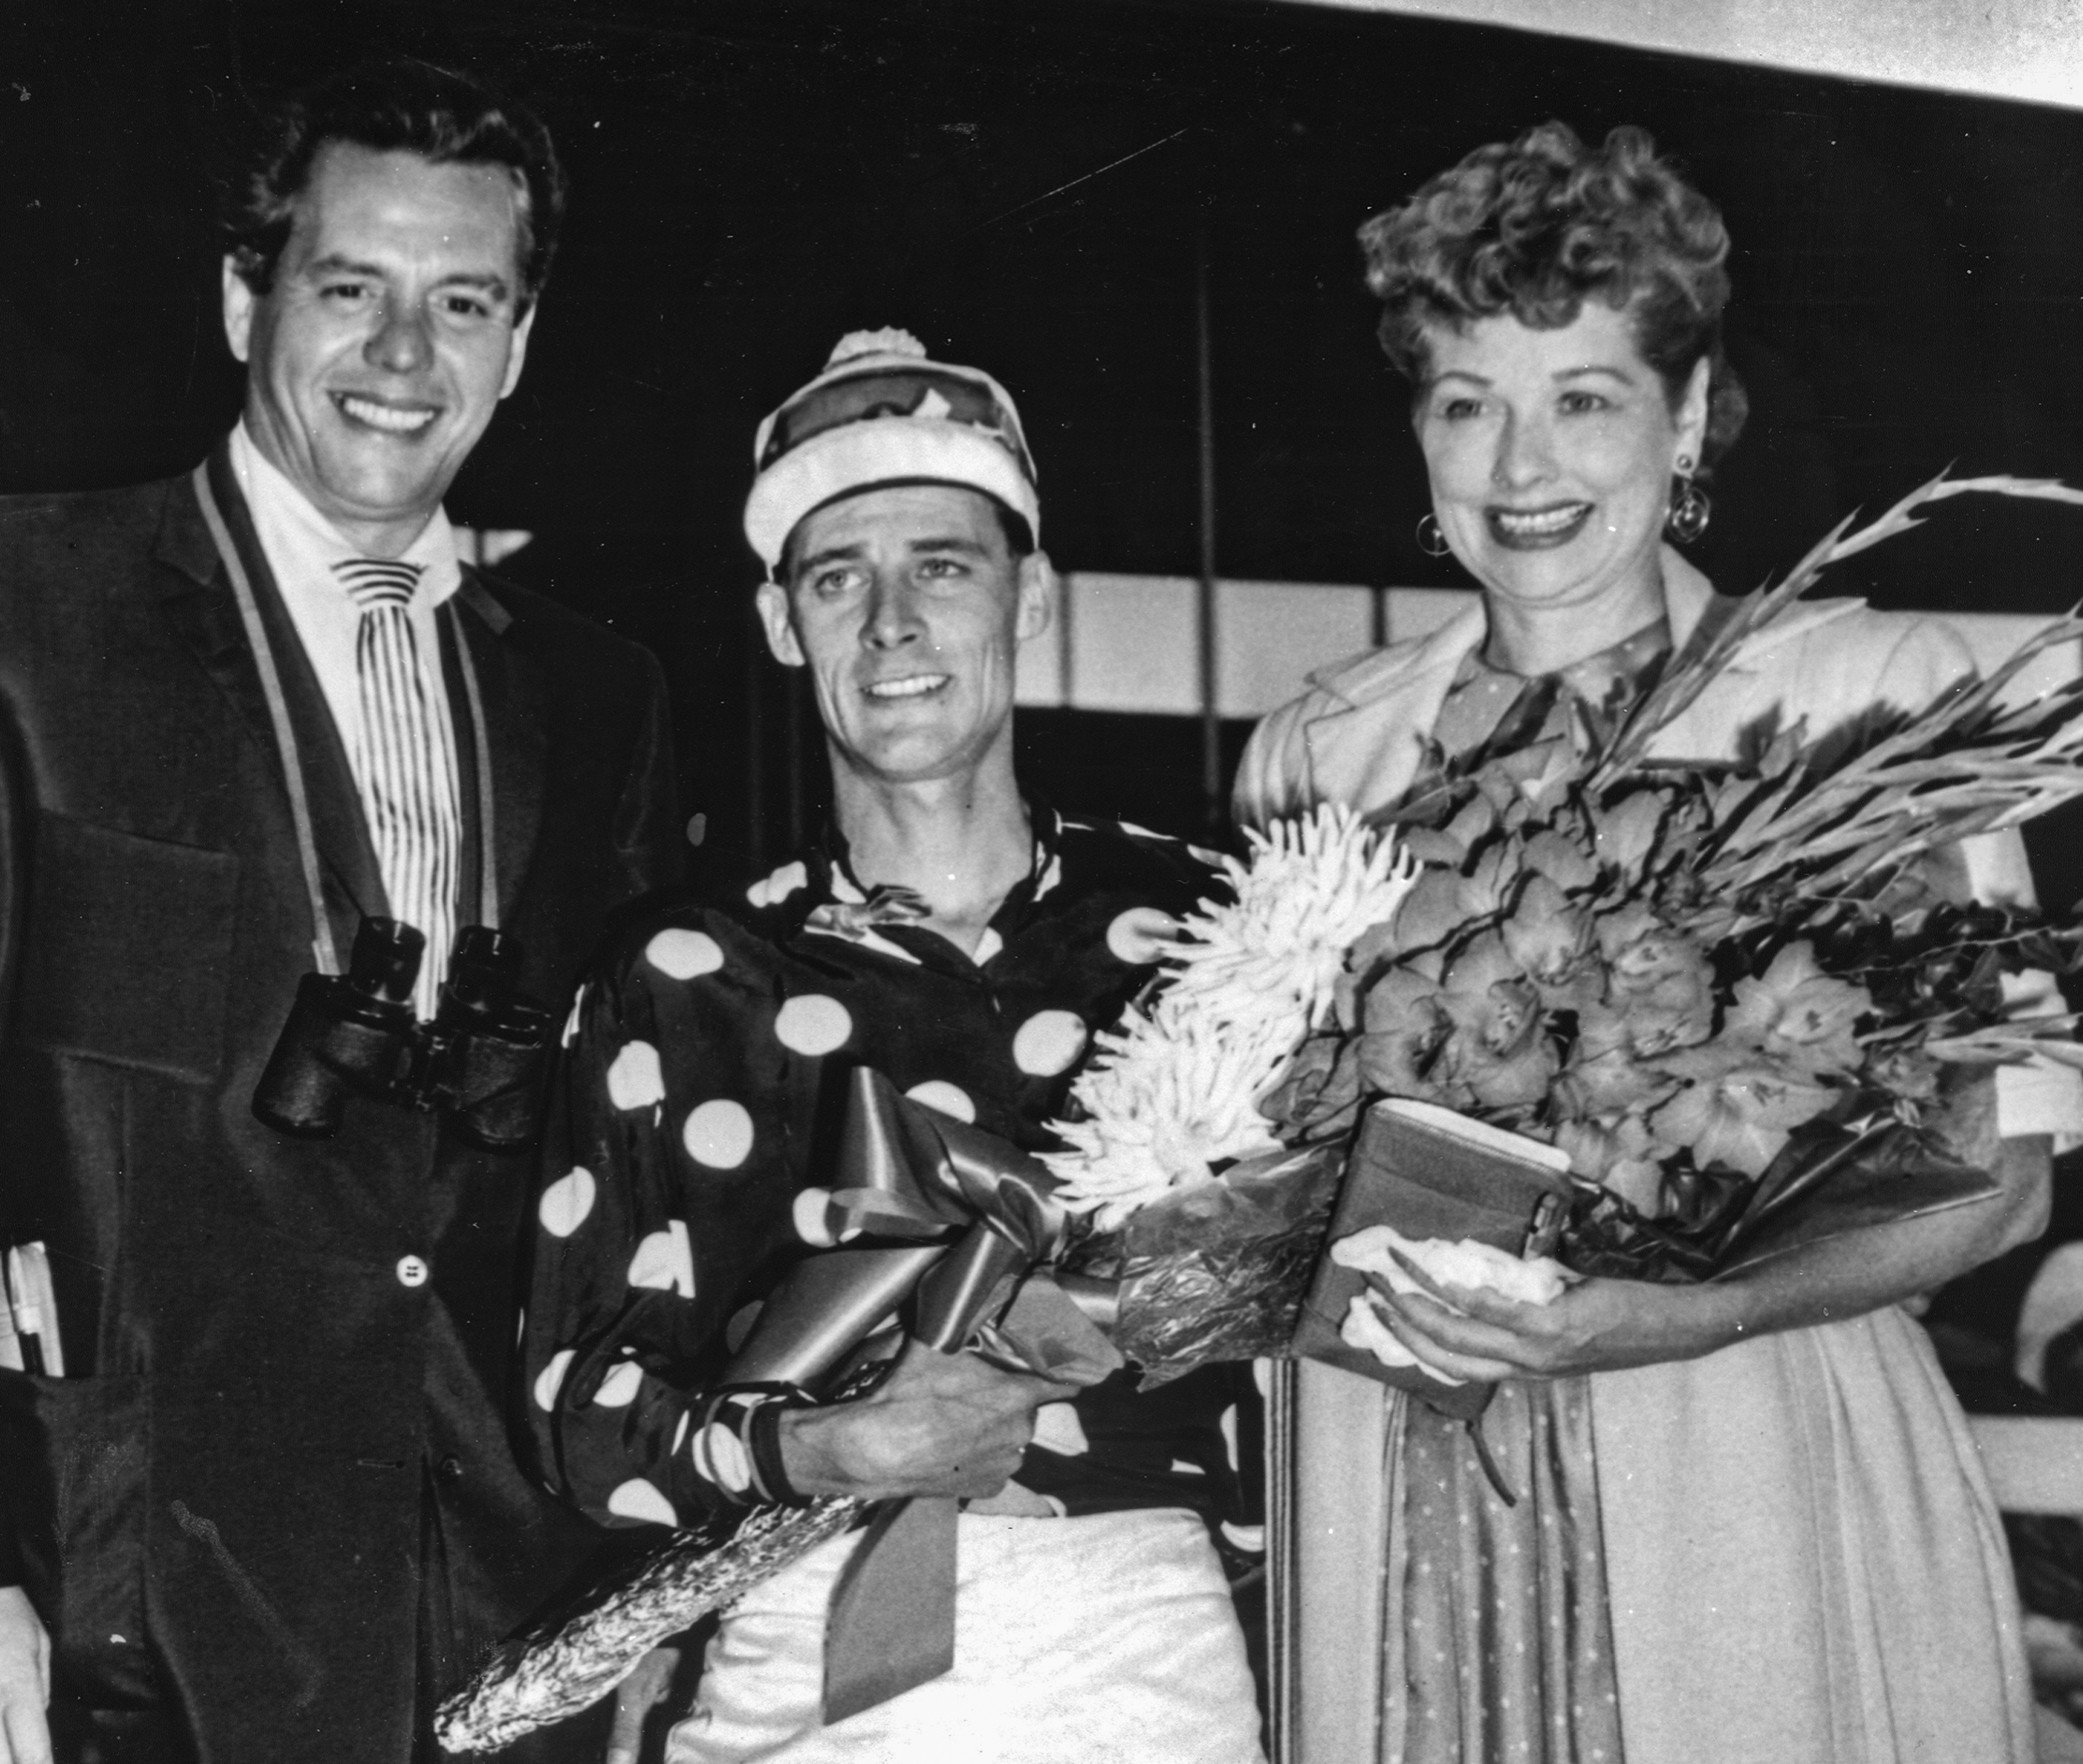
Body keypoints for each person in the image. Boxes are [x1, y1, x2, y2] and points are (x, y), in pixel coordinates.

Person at [0, 59, 680, 1764]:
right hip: (126, 1615)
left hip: (510, 1616)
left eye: (462, 301)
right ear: (242, 296)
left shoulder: (595, 692)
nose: (404, 358)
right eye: (351, 289)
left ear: (521, 342)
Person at [1235, 122, 2075, 1764]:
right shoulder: (1316, 750)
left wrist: (1681, 1316)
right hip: (1391, 1467)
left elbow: (1998, 1179)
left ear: (1685, 416)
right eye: (1465, 402)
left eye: (1583, 397)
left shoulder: (1873, 701)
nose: (1518, 465)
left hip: (1747, 1451)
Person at [524, 330, 1267, 1764]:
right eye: (835, 576)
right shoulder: (685, 975)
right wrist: (822, 1449)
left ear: (1030, 594)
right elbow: (577, 1410)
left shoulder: (1205, 931)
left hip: (1149, 1652)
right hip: (799, 1647)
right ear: (779, 624)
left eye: (941, 564)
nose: (890, 624)